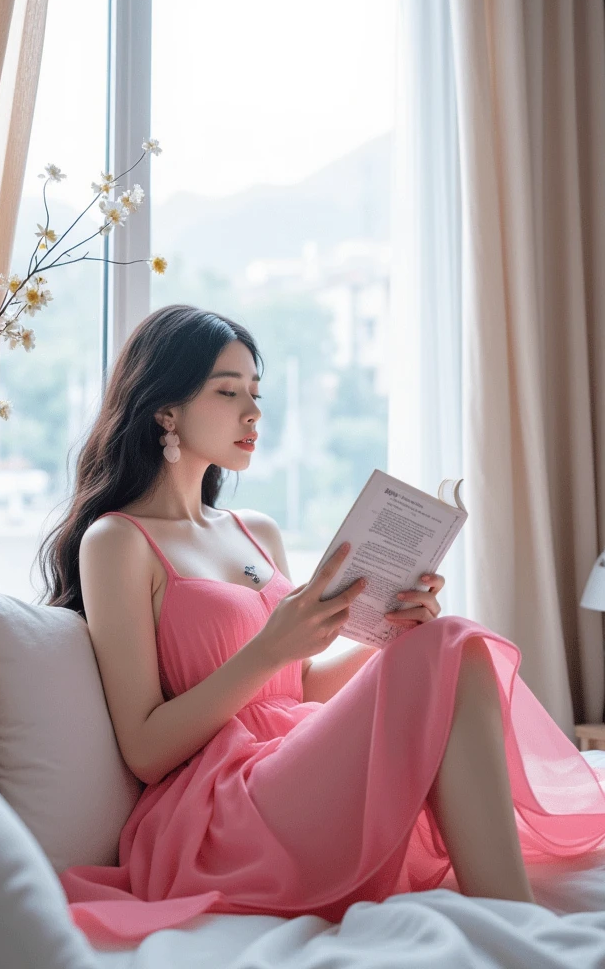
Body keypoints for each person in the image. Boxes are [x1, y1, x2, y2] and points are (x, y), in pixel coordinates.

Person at [37, 303, 605, 948]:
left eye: (256, 393)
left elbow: (300, 688)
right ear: (165, 410)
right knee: (454, 647)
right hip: (219, 807)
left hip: (293, 761)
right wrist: (268, 647)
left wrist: (392, 634)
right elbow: (143, 748)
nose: (253, 413)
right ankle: (517, 928)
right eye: (228, 393)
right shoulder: (119, 541)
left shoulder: (257, 530)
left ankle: (511, 915)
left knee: (452, 641)